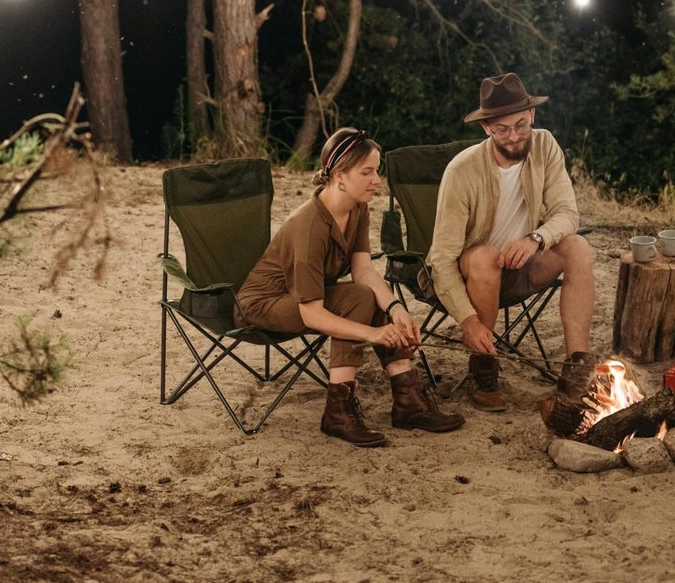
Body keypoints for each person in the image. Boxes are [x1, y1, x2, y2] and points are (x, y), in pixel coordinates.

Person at [236, 127, 464, 446]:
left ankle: (409, 401)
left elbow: (364, 271)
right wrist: (373, 334)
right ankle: (338, 413)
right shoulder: (309, 226)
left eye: (377, 171)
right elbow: (312, 314)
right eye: (366, 172)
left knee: (369, 295)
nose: (376, 180)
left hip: (304, 295)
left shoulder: (357, 208)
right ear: (340, 176)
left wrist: (397, 310)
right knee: (357, 299)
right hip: (262, 304)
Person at [420, 73, 596, 434]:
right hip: (472, 274)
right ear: (486, 128)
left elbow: (567, 213)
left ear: (532, 115)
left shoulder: (545, 145)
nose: (514, 136)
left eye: (520, 125)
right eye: (502, 129)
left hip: (522, 266)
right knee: (485, 256)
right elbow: (441, 258)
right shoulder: (462, 171)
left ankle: (576, 368)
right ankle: (483, 368)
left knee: (577, 247)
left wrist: (535, 238)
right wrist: (468, 321)